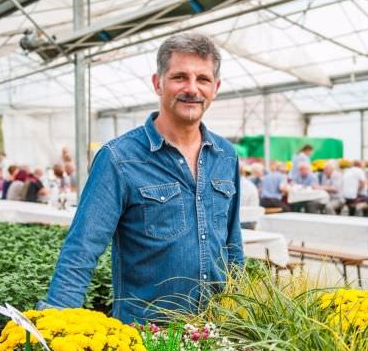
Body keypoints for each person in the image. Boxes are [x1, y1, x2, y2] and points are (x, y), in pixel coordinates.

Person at [42, 33, 244, 324]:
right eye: (179, 77)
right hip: (146, 337)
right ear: (157, 83)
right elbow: (82, 249)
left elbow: (232, 245)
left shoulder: (225, 155)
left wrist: (239, 315)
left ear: (216, 88)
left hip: (215, 330)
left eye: (203, 79)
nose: (192, 88)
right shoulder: (119, 158)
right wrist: (54, 326)